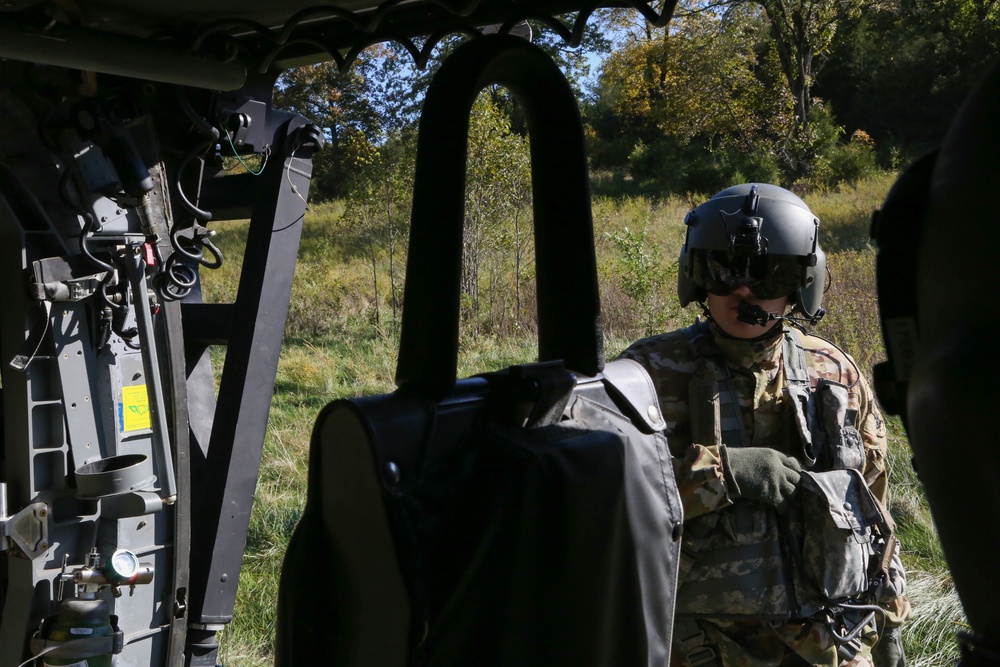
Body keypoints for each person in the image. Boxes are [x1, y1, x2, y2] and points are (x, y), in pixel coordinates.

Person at [618, 183, 911, 667]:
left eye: (768, 276)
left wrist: (890, 624)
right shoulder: (645, 373)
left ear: (801, 283)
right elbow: (609, 505)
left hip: (829, 639)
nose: (744, 292)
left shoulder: (835, 372)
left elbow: (871, 508)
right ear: (696, 276)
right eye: (723, 270)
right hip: (695, 645)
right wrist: (721, 473)